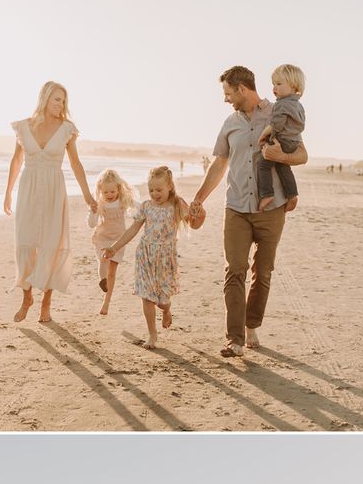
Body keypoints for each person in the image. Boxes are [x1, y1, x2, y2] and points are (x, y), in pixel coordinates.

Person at [189, 66, 308, 358]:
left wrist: (282, 156)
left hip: (272, 208)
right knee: (235, 270)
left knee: (263, 272)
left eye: (228, 93)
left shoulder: (278, 111)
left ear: (243, 89)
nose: (226, 99)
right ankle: (235, 338)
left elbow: (302, 154)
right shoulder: (229, 123)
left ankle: (252, 323)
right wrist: (198, 199)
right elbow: (219, 165)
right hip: (237, 208)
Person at [5, 81, 96, 324]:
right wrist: (8, 192)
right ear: (45, 98)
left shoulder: (67, 129)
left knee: (51, 245)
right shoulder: (24, 127)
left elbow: (76, 164)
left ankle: (46, 302)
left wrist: (87, 194)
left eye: (64, 101)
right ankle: (27, 297)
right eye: (57, 99)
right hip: (28, 190)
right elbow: (16, 161)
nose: (61, 105)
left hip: (55, 191)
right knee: (25, 242)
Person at [104, 166, 199, 350]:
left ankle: (167, 310)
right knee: (147, 297)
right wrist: (114, 247)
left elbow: (193, 222)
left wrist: (197, 214)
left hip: (165, 259)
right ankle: (152, 335)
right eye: (151, 190)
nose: (155, 194)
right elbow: (132, 230)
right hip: (145, 256)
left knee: (162, 301)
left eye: (159, 189)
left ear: (170, 186)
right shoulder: (146, 207)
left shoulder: (177, 205)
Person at [256, 64, 306, 211]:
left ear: (293, 86)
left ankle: (267, 194)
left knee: (263, 165)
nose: (274, 88)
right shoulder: (298, 105)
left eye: (278, 84)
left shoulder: (281, 104)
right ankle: (292, 194)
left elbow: (276, 124)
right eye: (273, 84)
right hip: (294, 141)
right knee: (283, 166)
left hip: (282, 140)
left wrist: (265, 133)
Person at [87, 169, 136, 316]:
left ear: (118, 189)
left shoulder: (123, 201)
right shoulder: (99, 204)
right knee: (103, 260)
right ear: (100, 190)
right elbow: (91, 224)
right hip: (102, 238)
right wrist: (92, 212)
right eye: (105, 192)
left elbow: (138, 208)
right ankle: (102, 280)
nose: (109, 195)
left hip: (118, 240)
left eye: (112, 192)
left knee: (113, 272)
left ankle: (106, 302)